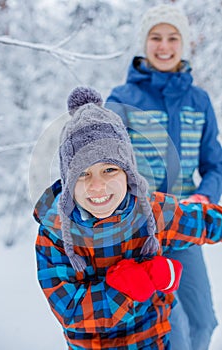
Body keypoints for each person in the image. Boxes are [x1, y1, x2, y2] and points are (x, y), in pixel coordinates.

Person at [34, 86, 222, 350]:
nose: (97, 186)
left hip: (154, 342)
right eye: (83, 174)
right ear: (68, 182)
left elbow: (203, 222)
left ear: (129, 173)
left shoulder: (151, 212)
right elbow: (69, 311)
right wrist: (128, 287)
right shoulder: (54, 234)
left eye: (109, 169)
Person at [106, 4, 222, 349]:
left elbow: (214, 164)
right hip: (141, 234)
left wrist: (205, 197)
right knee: (172, 332)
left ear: (183, 44)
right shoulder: (123, 100)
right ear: (145, 43)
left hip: (184, 228)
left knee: (204, 322)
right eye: (156, 37)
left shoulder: (198, 101)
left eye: (172, 38)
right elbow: (106, 162)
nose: (164, 46)